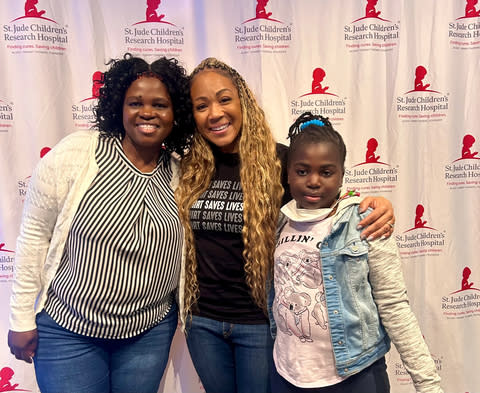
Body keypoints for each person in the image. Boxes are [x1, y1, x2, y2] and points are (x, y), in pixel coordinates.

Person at [175, 58, 396, 393]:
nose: (214, 113)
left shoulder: (279, 161)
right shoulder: (188, 169)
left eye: (224, 99)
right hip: (202, 321)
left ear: (243, 102)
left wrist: (376, 204)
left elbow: (326, 196)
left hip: (260, 322)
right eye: (201, 105)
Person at [7, 53, 193, 393]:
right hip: (68, 331)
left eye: (160, 105)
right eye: (135, 102)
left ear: (175, 114)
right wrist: (20, 318)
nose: (147, 112)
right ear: (118, 107)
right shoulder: (77, 154)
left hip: (148, 334)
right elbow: (34, 235)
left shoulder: (181, 173)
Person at [269, 112, 443, 393]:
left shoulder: (365, 222)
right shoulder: (279, 223)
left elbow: (393, 304)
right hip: (287, 374)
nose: (314, 180)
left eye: (326, 172)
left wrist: (428, 384)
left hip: (355, 376)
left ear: (341, 176)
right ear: (288, 173)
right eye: (302, 171)